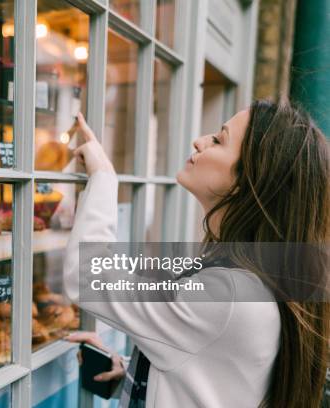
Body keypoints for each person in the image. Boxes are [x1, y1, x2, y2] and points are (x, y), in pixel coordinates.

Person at [63, 101, 329, 407]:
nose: (199, 141)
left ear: (249, 181)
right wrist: (131, 371)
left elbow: (87, 274)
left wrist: (104, 176)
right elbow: (216, 379)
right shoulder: (252, 281)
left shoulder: (228, 295)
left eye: (218, 140)